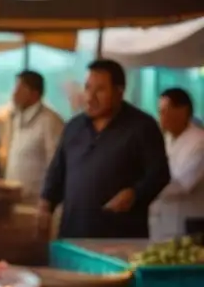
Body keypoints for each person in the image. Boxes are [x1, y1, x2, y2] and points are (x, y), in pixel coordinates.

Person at [40, 60, 170, 240]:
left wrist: (135, 193)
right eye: (87, 88)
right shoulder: (74, 126)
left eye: (100, 90)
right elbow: (56, 173)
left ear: (119, 91)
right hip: (73, 234)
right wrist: (45, 206)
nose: (90, 97)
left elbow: (160, 174)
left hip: (120, 236)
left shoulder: (142, 126)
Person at [151, 88, 204, 241]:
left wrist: (143, 190)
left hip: (188, 225)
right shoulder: (164, 139)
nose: (161, 117)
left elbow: (181, 185)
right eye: (159, 111)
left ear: (182, 111)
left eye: (165, 111)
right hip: (162, 224)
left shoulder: (199, 142)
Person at [4, 71, 65, 203]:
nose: (14, 94)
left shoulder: (50, 120)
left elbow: (55, 164)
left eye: (19, 89)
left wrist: (48, 198)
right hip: (14, 197)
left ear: (34, 93)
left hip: (36, 202)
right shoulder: (16, 117)